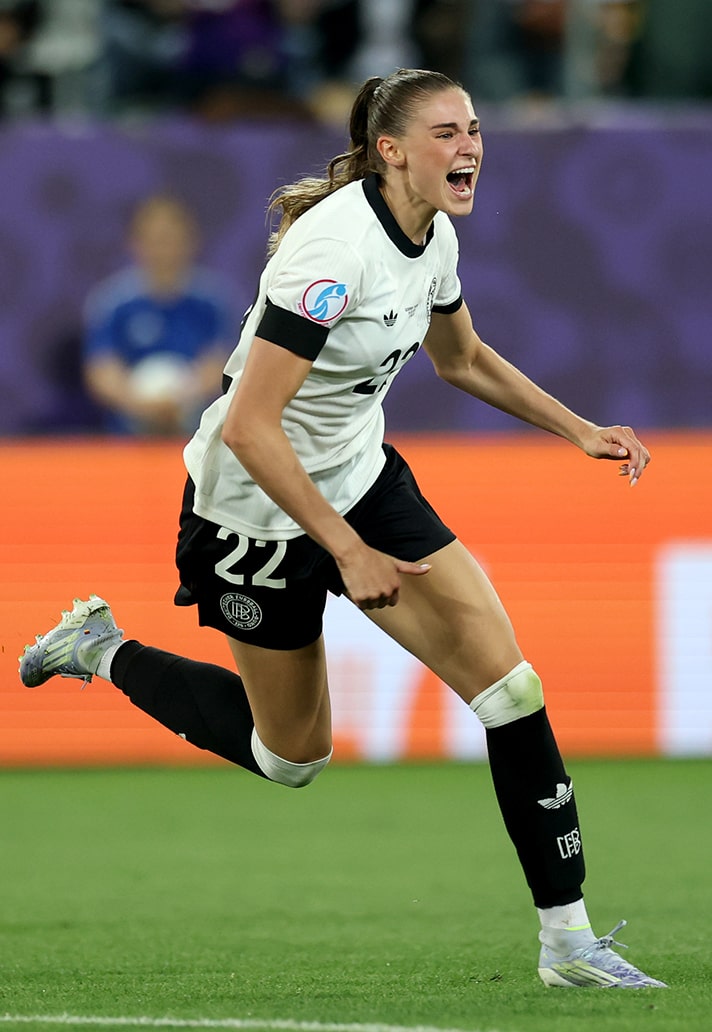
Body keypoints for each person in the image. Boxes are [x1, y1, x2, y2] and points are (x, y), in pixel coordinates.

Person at [20, 68, 666, 989]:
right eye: (446, 133)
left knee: (510, 689)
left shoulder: (433, 235)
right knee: (291, 757)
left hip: (360, 481)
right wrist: (346, 548)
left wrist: (579, 429)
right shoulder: (331, 255)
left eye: (474, 129)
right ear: (391, 151)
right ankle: (102, 648)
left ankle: (568, 943)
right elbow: (250, 427)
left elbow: (462, 358)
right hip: (250, 511)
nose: (470, 147)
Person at [82, 193, 235, 436]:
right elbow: (102, 369)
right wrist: (140, 404)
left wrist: (182, 397)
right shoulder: (112, 302)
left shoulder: (212, 301)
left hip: (195, 435)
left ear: (190, 242)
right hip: (127, 436)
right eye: (154, 240)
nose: (163, 250)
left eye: (170, 239)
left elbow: (222, 362)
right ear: (135, 244)